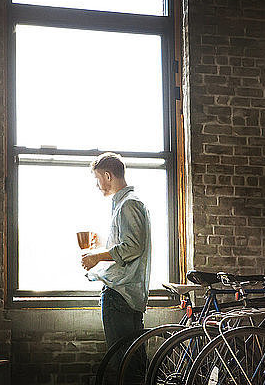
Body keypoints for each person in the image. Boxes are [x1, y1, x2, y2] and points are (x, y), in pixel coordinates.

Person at [80, 152, 152, 383]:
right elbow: (127, 245)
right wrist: (103, 247)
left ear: (108, 175)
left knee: (125, 363)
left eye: (97, 179)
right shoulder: (129, 203)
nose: (97, 185)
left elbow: (132, 247)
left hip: (119, 294)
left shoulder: (128, 204)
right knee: (135, 361)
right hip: (130, 293)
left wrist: (97, 257)